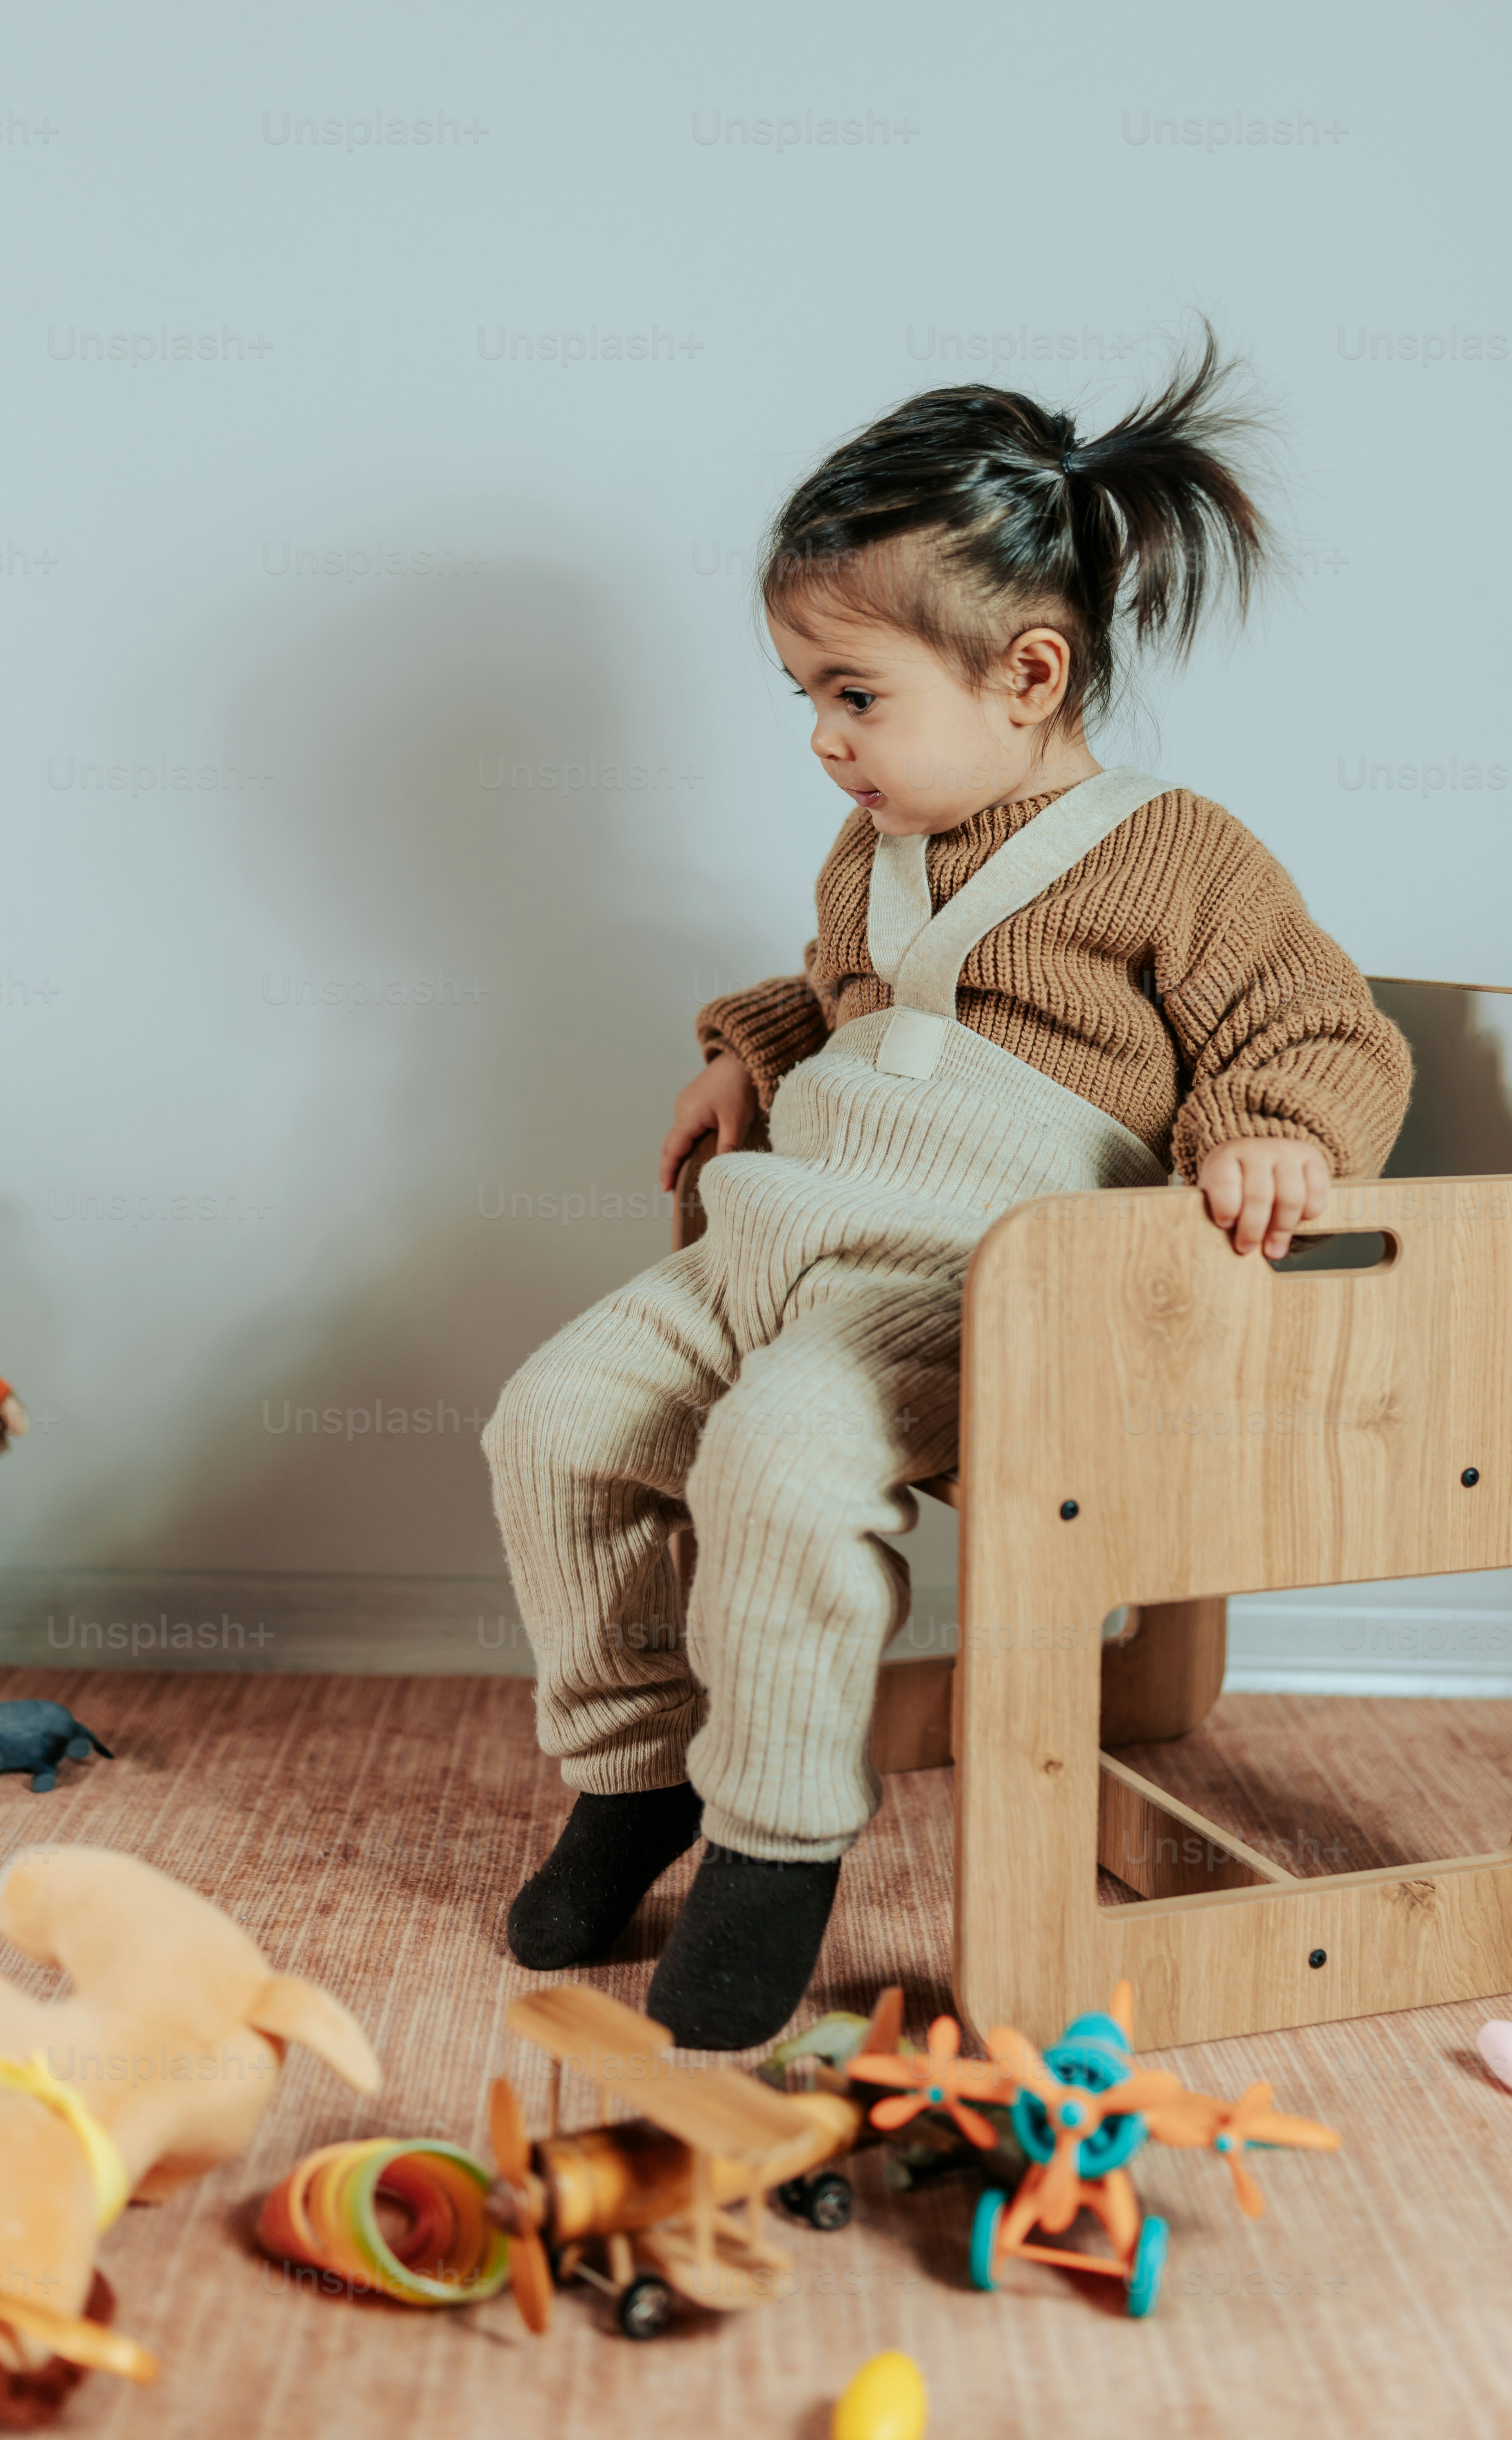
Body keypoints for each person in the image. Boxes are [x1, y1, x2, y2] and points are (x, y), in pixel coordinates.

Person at [482, 330, 1411, 2046]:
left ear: (1030, 677)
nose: (826, 741)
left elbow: (1315, 1024)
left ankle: (775, 1849)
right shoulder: (872, 851)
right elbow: (854, 999)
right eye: (806, 701)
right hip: (780, 1238)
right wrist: (751, 1051)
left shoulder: (1178, 853)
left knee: (781, 1462)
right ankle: (633, 1775)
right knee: (554, 1424)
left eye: (855, 696)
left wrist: (1274, 1125)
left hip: (967, 1275)